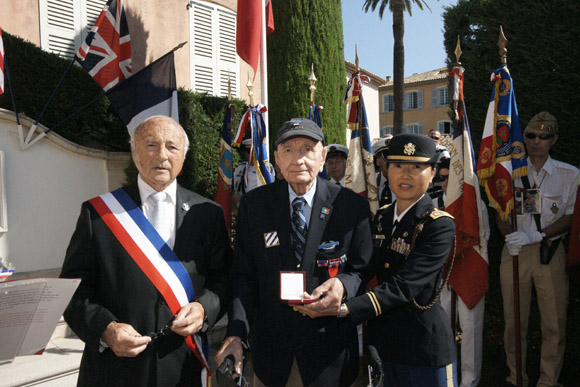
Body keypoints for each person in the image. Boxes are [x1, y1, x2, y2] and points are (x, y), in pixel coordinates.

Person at [60, 116, 232, 386]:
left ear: (183, 157)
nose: (162, 155)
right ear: (134, 151)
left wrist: (203, 309)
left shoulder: (208, 214)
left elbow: (224, 280)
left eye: (172, 147)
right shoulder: (99, 214)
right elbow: (71, 292)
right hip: (115, 371)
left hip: (183, 366)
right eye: (151, 144)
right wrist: (106, 329)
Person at [215, 118, 373, 386]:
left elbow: (363, 268)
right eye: (288, 150)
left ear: (322, 156)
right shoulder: (254, 206)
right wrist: (237, 332)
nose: (298, 159)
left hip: (329, 355)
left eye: (307, 149)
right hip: (272, 358)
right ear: (276, 158)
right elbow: (243, 275)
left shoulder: (350, 206)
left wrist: (343, 285)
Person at [311, 133, 458, 386]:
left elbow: (405, 285)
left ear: (432, 172)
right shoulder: (381, 217)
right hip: (384, 345)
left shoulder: (439, 225)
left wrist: (346, 309)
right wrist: (338, 285)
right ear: (386, 169)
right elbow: (366, 265)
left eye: (417, 167)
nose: (406, 175)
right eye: (398, 165)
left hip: (423, 346)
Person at [498, 112, 579, 387]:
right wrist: (509, 237)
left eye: (543, 137)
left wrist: (538, 235)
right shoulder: (509, 172)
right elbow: (500, 211)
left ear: (553, 139)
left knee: (553, 323)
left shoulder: (570, 175)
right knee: (513, 322)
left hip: (549, 251)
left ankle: (548, 380)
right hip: (515, 253)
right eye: (531, 136)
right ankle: (515, 376)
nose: (536, 141)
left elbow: (569, 216)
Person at [435, 157, 490, 387]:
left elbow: (483, 238)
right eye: (442, 178)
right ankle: (445, 378)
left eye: (451, 177)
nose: (447, 182)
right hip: (442, 275)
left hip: (468, 270)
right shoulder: (433, 205)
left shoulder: (476, 206)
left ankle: (469, 381)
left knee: (471, 330)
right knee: (441, 329)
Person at [372, 136, 395, 207]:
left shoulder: (408, 183)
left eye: (394, 158)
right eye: (386, 157)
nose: (390, 162)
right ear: (377, 161)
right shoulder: (370, 181)